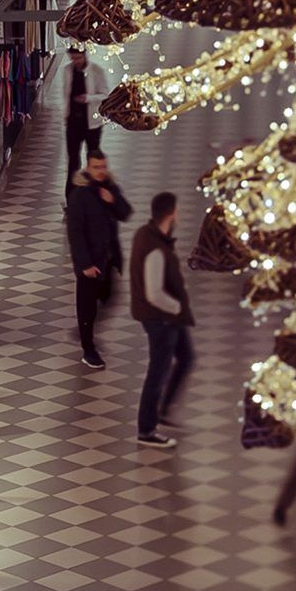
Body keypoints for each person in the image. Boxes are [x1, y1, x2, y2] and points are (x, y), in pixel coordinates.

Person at [130, 191, 195, 447]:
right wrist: (177, 307)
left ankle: (164, 410)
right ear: (171, 214)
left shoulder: (148, 235)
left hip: (168, 318)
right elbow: (154, 293)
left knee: (186, 356)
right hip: (161, 319)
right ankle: (146, 429)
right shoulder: (155, 248)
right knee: (158, 371)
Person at [63, 148, 131, 369]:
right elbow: (75, 233)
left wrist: (113, 200)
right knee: (87, 307)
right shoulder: (79, 196)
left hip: (108, 259)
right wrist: (84, 265)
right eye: (96, 167)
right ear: (88, 167)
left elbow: (125, 212)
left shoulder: (110, 188)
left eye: (103, 167)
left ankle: (86, 330)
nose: (101, 171)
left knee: (110, 296)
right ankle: (87, 347)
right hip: (90, 264)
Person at [63, 45, 95, 166]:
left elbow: (104, 95)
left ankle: (90, 184)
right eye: (73, 58)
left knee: (92, 158)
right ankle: (73, 184)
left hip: (90, 121)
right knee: (73, 160)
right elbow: (66, 93)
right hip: (73, 121)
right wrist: (66, 115)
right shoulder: (67, 70)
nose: (75, 61)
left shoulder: (95, 71)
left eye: (78, 58)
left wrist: (87, 98)